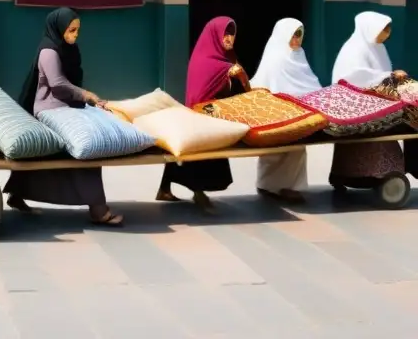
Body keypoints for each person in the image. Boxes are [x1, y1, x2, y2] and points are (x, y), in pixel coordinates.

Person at [4, 7, 123, 226]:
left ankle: (18, 193)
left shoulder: (69, 49)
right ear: (59, 28)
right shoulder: (49, 51)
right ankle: (98, 209)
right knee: (90, 145)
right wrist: (86, 95)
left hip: (65, 107)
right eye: (71, 30)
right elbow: (57, 84)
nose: (75, 34)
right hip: (49, 109)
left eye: (77, 30)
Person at [157, 16, 249, 213]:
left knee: (184, 154)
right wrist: (228, 72)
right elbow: (201, 90)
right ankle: (199, 193)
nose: (229, 38)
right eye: (225, 33)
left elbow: (239, 81)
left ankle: (164, 189)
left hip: (215, 113)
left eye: (232, 34)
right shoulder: (205, 59)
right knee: (203, 154)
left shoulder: (227, 59)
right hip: (201, 115)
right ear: (215, 34)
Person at [328, 11, 406, 190]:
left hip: (372, 98)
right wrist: (389, 75)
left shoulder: (378, 48)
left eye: (387, 29)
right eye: (383, 29)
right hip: (352, 101)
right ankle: (379, 174)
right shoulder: (355, 48)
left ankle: (354, 175)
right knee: (385, 123)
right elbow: (355, 77)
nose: (387, 33)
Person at [251, 18, 321, 203]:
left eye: (300, 34)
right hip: (276, 112)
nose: (297, 40)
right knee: (274, 153)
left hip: (299, 112)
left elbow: (309, 83)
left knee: (296, 151)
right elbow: (270, 87)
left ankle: (290, 187)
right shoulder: (276, 57)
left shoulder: (299, 55)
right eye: (294, 34)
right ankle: (267, 184)